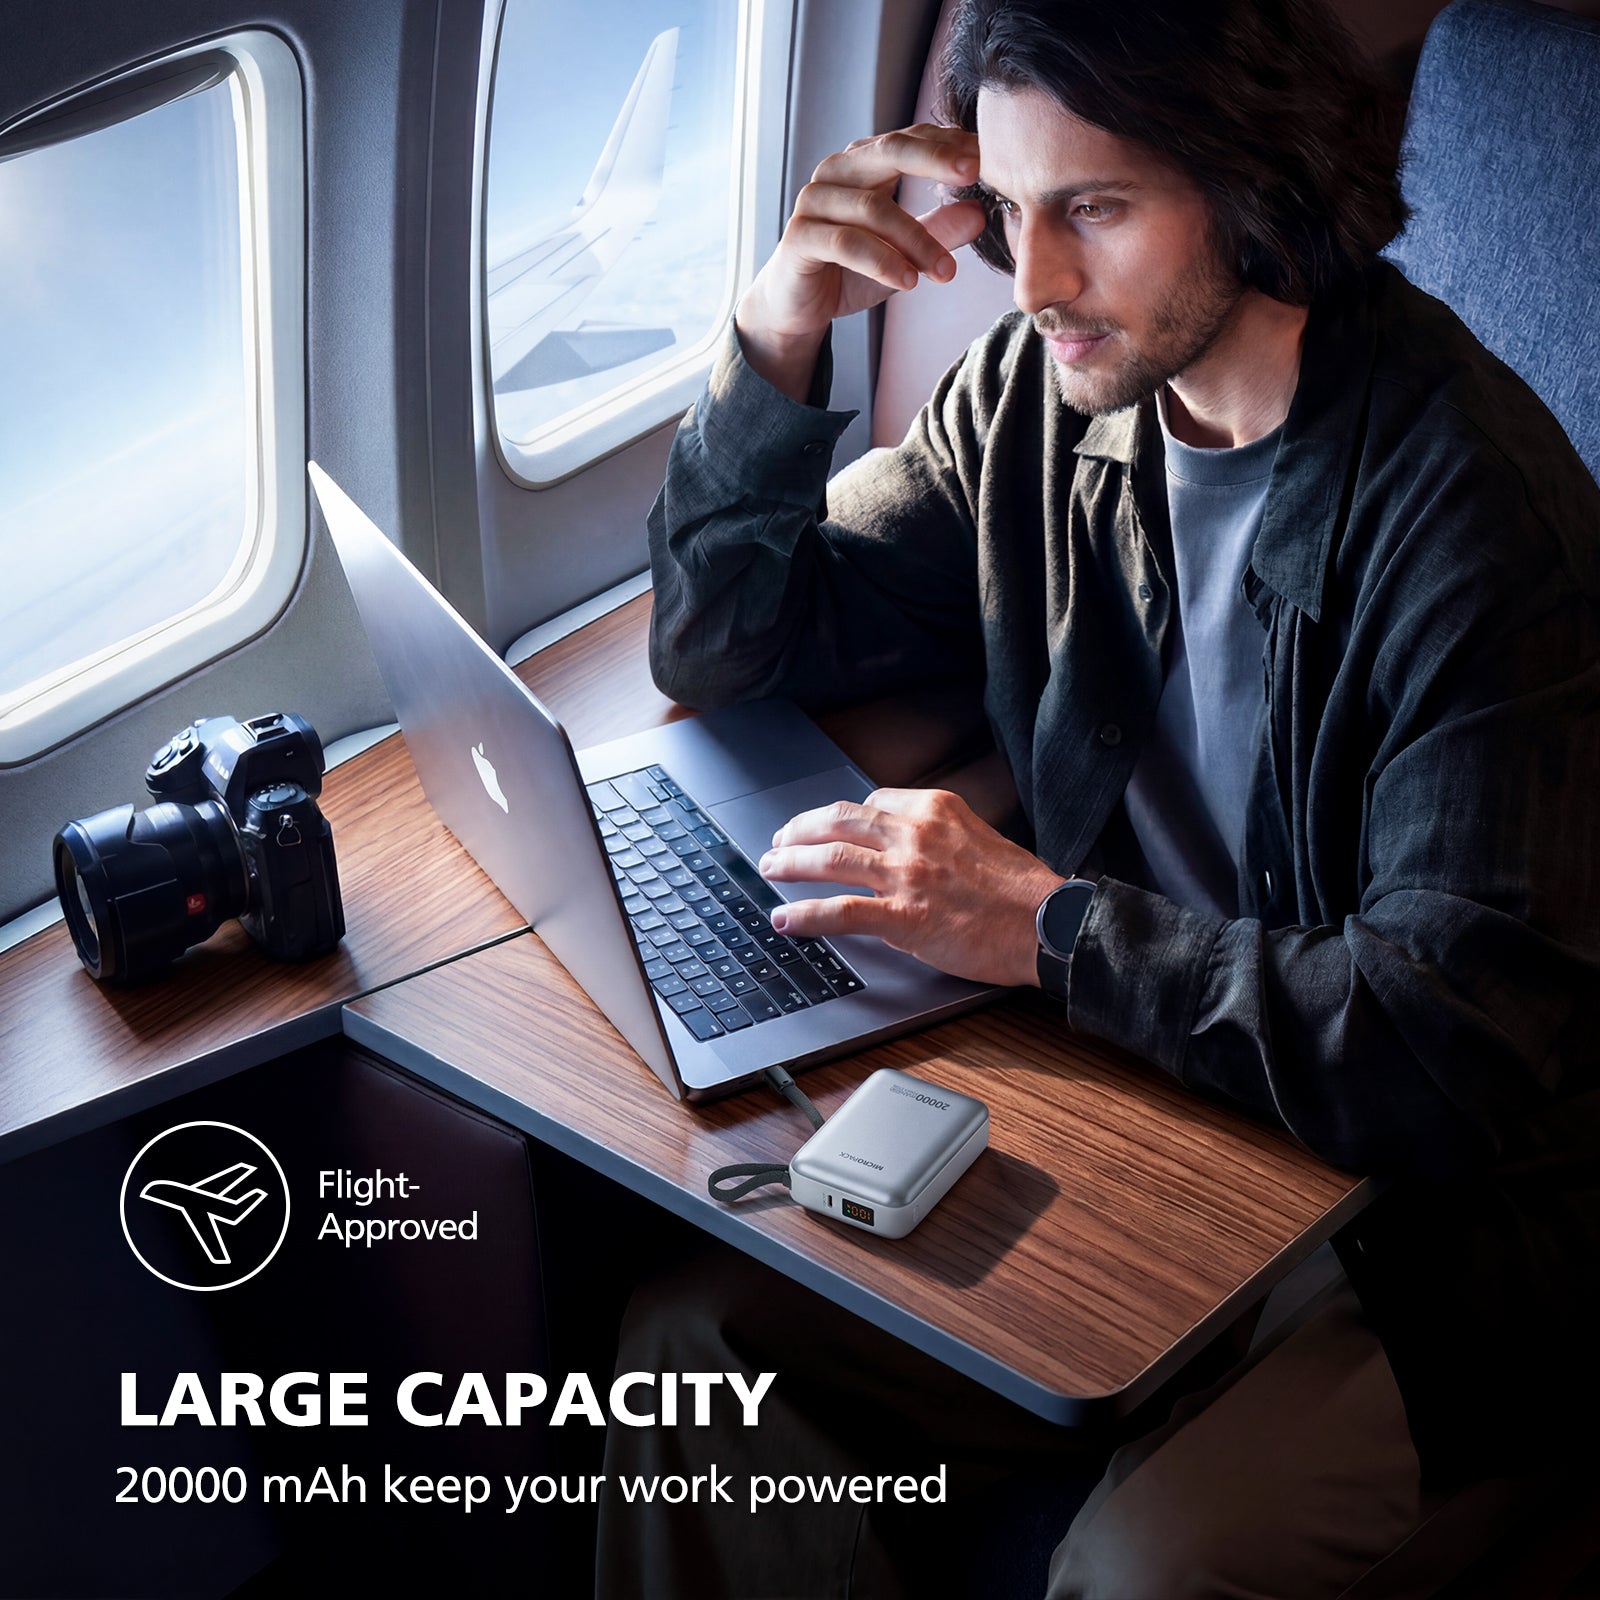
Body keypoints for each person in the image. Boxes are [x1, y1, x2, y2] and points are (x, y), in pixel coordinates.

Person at [600, 0, 1600, 1594]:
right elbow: (729, 639)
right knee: (686, 1349)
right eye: (1006, 209)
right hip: (1149, 1109)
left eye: (1096, 209)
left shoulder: (1474, 520)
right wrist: (783, 319)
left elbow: (1440, 1050)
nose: (1036, 276)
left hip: (1421, 1229)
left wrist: (1042, 928)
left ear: (1258, 184)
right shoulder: (1039, 405)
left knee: (1146, 1570)